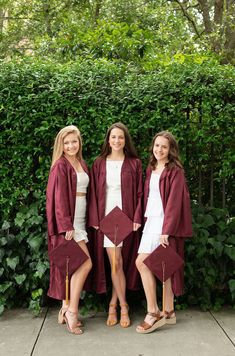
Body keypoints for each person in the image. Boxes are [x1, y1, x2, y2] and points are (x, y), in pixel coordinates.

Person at [136, 131, 192, 334]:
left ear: (171, 150)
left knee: (154, 265)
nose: (159, 150)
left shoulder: (175, 171)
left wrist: (167, 230)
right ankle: (168, 310)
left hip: (164, 224)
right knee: (149, 264)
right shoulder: (151, 168)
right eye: (157, 145)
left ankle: (154, 313)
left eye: (164, 147)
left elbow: (175, 203)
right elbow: (146, 196)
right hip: (151, 221)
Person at [89, 122, 143, 328]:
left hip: (126, 219)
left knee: (119, 263)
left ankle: (113, 303)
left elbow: (140, 193)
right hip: (107, 220)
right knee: (116, 262)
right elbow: (93, 193)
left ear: (125, 140)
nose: (117, 140)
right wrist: (95, 219)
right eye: (113, 137)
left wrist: (137, 217)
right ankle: (123, 306)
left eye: (121, 137)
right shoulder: (99, 163)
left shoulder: (134, 163)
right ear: (108, 140)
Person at [46, 125, 92, 335]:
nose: (71, 145)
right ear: (61, 145)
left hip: (81, 218)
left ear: (79, 142)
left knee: (75, 266)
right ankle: (72, 311)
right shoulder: (60, 166)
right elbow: (57, 198)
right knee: (85, 263)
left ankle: (66, 308)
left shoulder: (81, 163)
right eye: (66, 143)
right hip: (70, 223)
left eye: (74, 141)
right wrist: (66, 226)